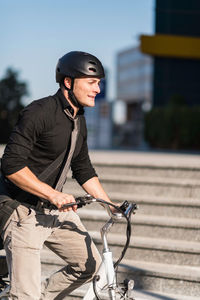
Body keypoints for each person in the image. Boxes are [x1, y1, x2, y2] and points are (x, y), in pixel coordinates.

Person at [0, 51, 114, 300]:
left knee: (89, 266)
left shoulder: (78, 121)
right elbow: (11, 165)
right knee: (24, 296)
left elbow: (83, 169)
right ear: (68, 82)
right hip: (23, 212)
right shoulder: (39, 112)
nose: (98, 88)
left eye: (99, 83)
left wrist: (111, 206)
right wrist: (53, 194)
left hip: (54, 213)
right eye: (92, 82)